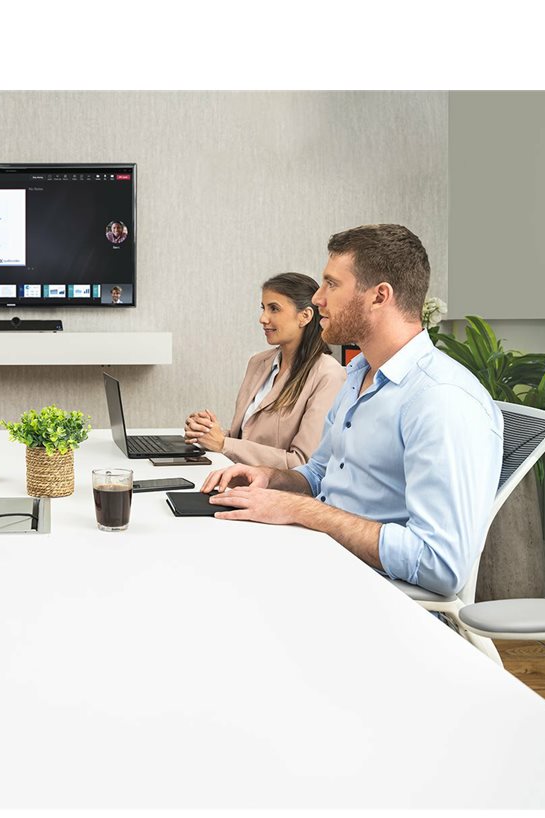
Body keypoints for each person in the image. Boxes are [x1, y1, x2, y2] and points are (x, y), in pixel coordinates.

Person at [201, 225, 503, 597]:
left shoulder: (441, 400)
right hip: (320, 562)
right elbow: (318, 474)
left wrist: (301, 510)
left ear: (379, 296)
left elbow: (439, 564)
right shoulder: (358, 375)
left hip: (371, 596)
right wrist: (270, 478)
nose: (318, 298)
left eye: (331, 284)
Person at [183, 273, 346, 467]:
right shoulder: (258, 362)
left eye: (274, 309)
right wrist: (207, 432)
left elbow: (303, 462)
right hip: (237, 476)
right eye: (263, 308)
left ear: (305, 316)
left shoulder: (328, 375)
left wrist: (223, 444)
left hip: (275, 486)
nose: (263, 318)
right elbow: (244, 439)